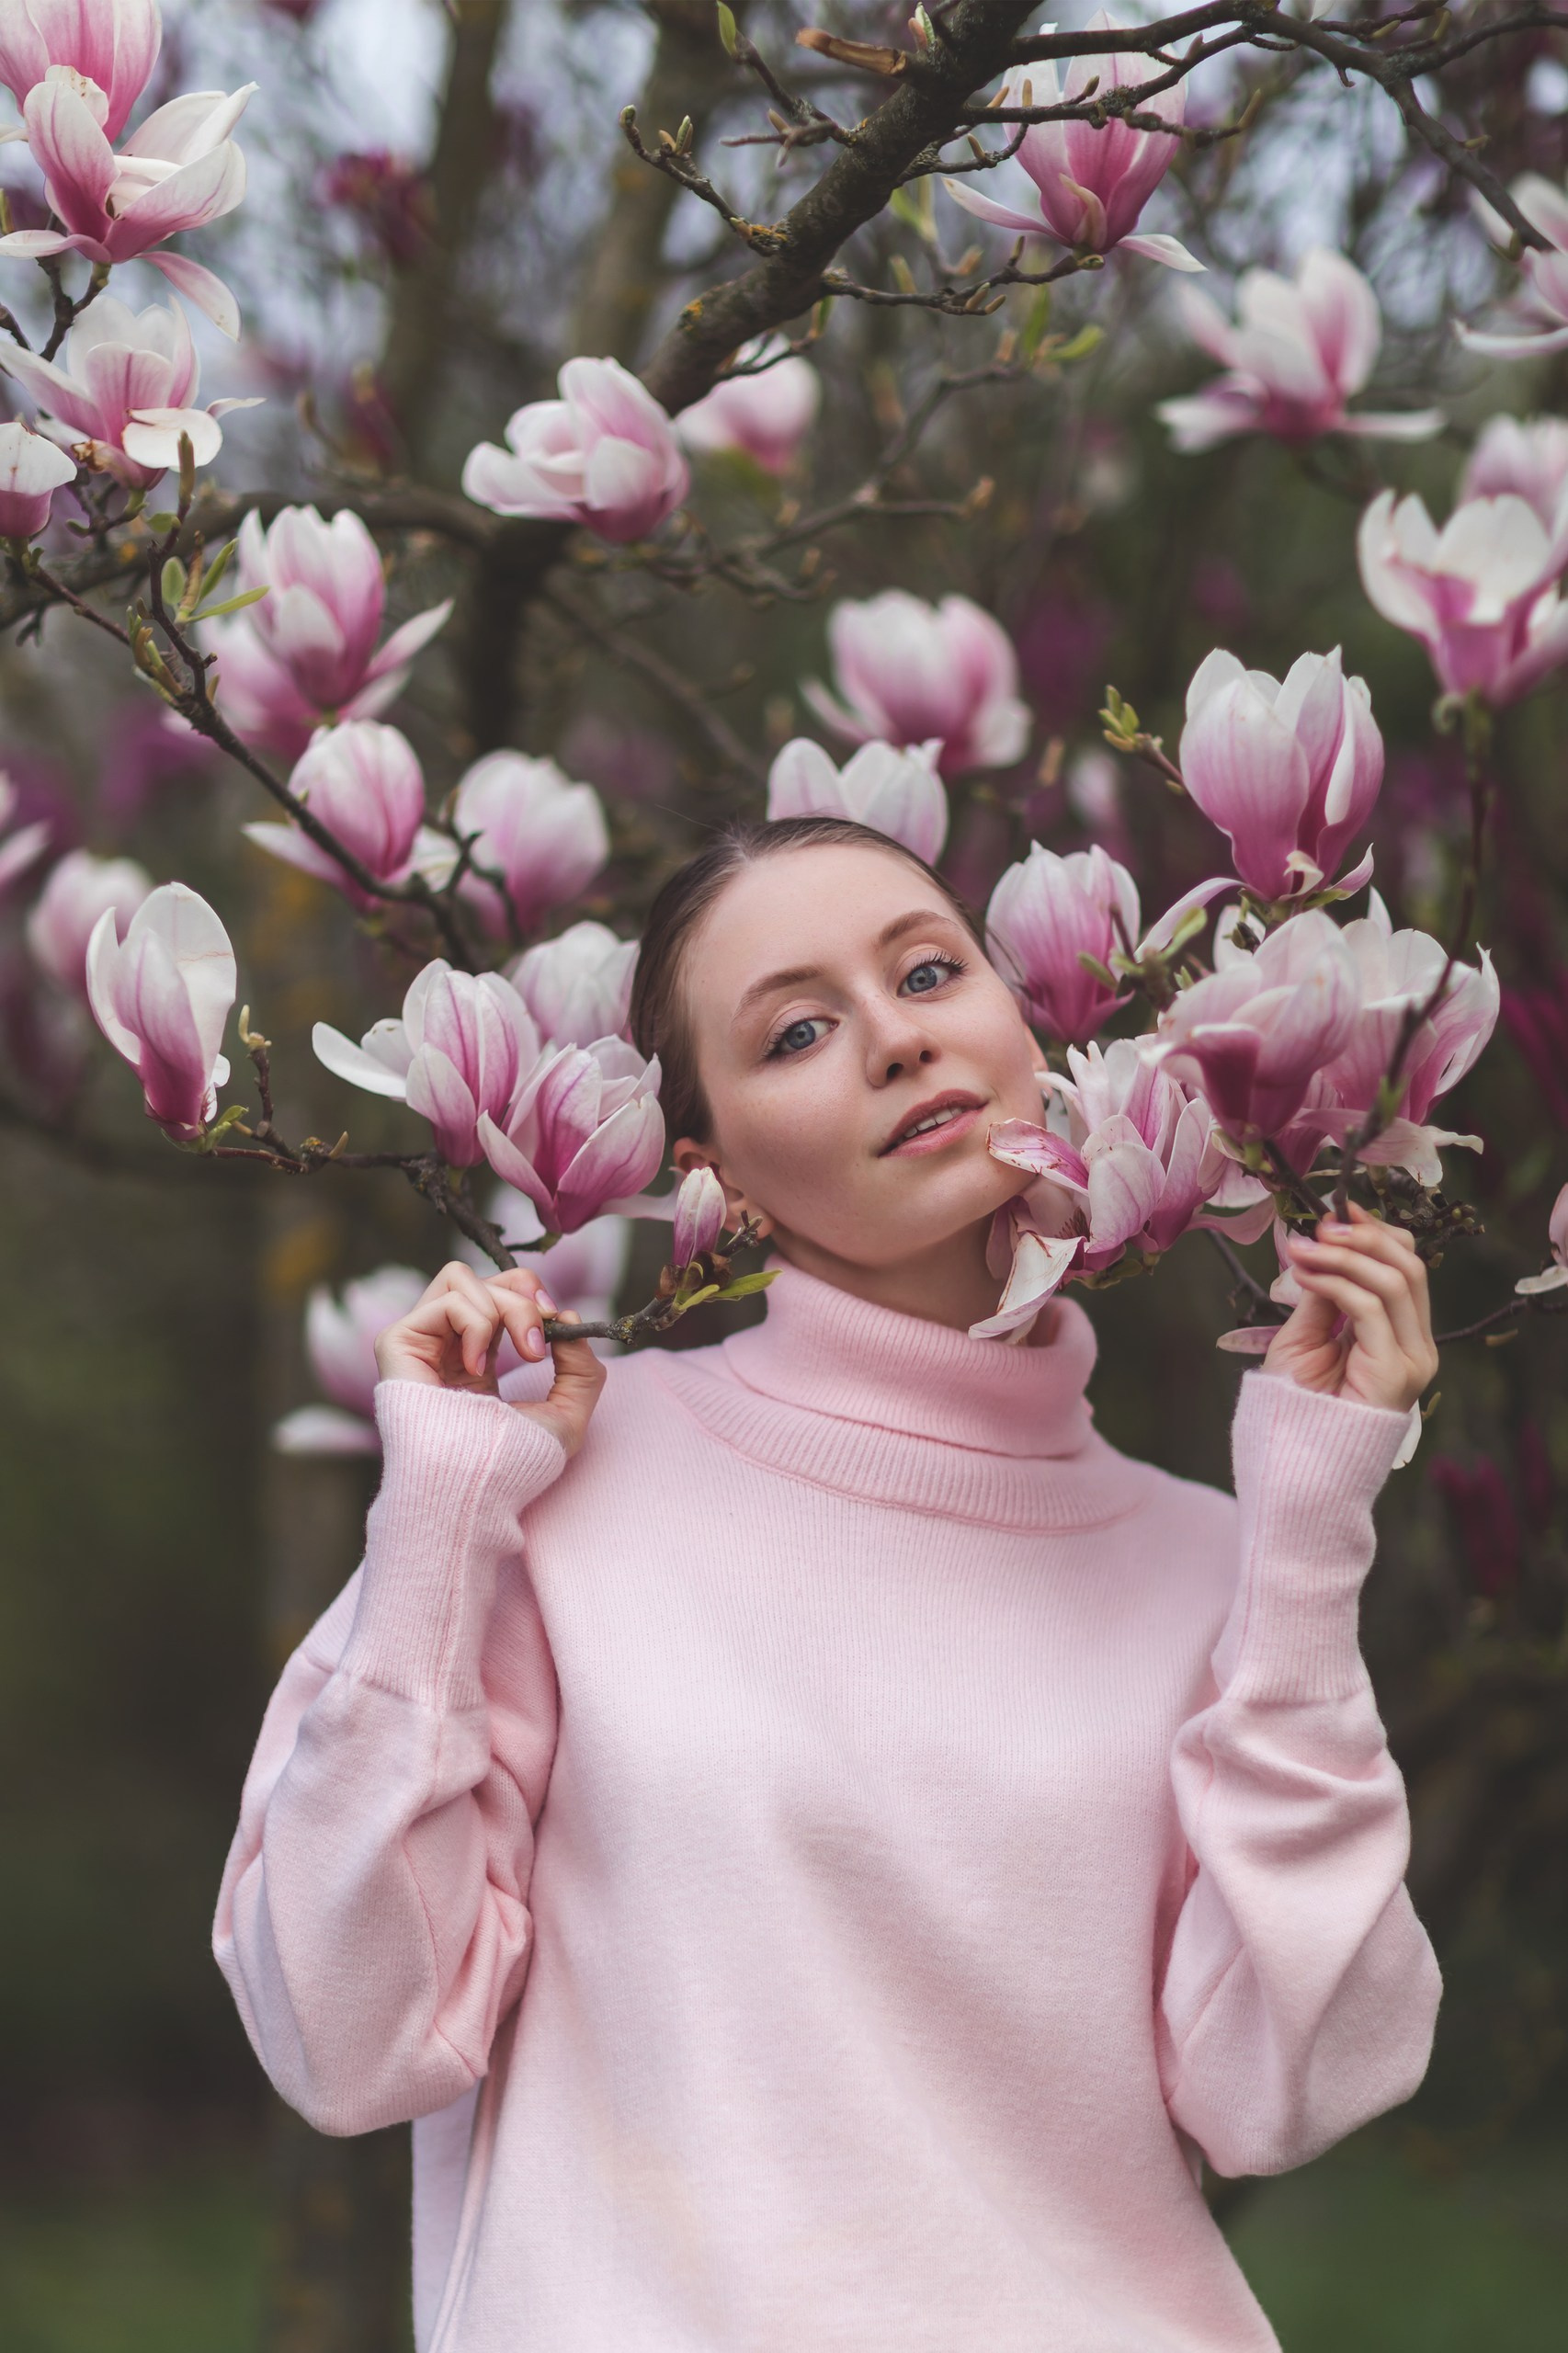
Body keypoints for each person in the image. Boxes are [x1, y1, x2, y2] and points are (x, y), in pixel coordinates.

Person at [213, 816, 1443, 2353]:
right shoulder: (553, 1494)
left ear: (1022, 1023)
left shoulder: (1214, 1560)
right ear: (708, 1162)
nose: (893, 1040)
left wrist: (1309, 1533)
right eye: (796, 1030)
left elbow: (1293, 2082)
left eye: (930, 971)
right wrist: (439, 1530)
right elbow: (346, 2035)